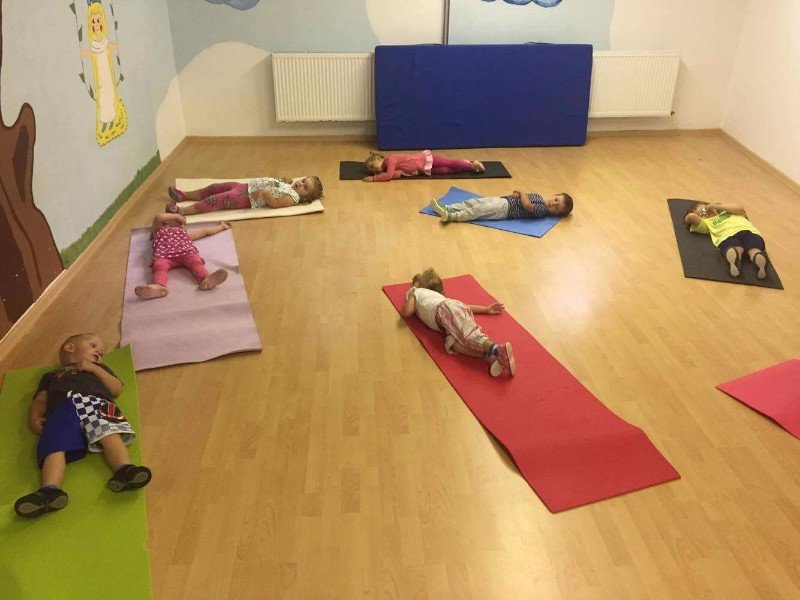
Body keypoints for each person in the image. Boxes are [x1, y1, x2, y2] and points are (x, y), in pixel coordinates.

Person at [14, 333, 151, 518]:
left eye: (101, 352)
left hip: (95, 402)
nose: (99, 353)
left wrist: (94, 369)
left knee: (109, 433)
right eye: (93, 346)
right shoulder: (51, 376)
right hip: (61, 409)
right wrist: (34, 417)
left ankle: (124, 469)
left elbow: (116, 388)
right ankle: (48, 491)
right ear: (70, 348)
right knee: (54, 446)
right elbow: (40, 400)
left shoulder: (100, 369)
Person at [401, 268, 516, 377]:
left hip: (445, 311)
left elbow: (407, 312)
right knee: (453, 345)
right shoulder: (430, 296)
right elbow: (464, 306)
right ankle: (489, 355)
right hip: (446, 323)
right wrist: (486, 309)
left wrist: (413, 293)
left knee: (469, 334)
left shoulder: (417, 292)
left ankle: (496, 349)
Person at [134, 213, 229, 300]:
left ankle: (206, 279)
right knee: (159, 266)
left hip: (186, 252)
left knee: (196, 262)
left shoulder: (186, 233)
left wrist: (221, 226)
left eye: (181, 222)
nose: (178, 222)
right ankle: (158, 287)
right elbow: (158, 217)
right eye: (173, 220)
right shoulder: (159, 231)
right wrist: (177, 216)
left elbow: (206, 231)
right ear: (166, 222)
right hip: (164, 256)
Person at [683, 201, 769, 279]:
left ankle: (758, 261)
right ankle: (734, 262)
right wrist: (700, 212)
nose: (705, 211)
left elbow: (740, 208)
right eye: (702, 213)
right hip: (727, 236)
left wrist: (716, 206)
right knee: (734, 249)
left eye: (704, 207)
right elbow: (690, 217)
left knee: (754, 248)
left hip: (749, 231)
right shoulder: (706, 223)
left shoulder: (728, 212)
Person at [166, 176, 323, 216]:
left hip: (246, 197)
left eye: (305, 187)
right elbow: (276, 185)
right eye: (303, 180)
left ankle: (182, 211)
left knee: (215, 200)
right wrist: (284, 181)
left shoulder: (292, 198)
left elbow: (276, 204)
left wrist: (265, 193)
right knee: (214, 187)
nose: (300, 184)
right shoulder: (290, 187)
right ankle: (183, 195)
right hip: (244, 186)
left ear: (305, 197)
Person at [430, 190, 573, 223]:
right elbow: (524, 198)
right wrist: (518, 194)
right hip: (503, 201)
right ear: (554, 194)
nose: (553, 204)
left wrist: (522, 192)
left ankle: (452, 216)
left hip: (505, 210)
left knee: (478, 210)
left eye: (556, 207)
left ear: (555, 214)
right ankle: (448, 207)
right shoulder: (539, 197)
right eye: (556, 199)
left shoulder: (542, 211)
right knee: (474, 202)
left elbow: (527, 205)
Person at [362, 150, 485, 182]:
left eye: (372, 166)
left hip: (425, 159)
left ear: (378, 158)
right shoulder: (389, 167)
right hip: (423, 169)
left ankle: (471, 165)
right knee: (446, 171)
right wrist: (381, 174)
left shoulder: (390, 160)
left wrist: (374, 178)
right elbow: (397, 175)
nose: (373, 170)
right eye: (371, 171)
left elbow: (389, 175)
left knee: (448, 162)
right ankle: (465, 164)